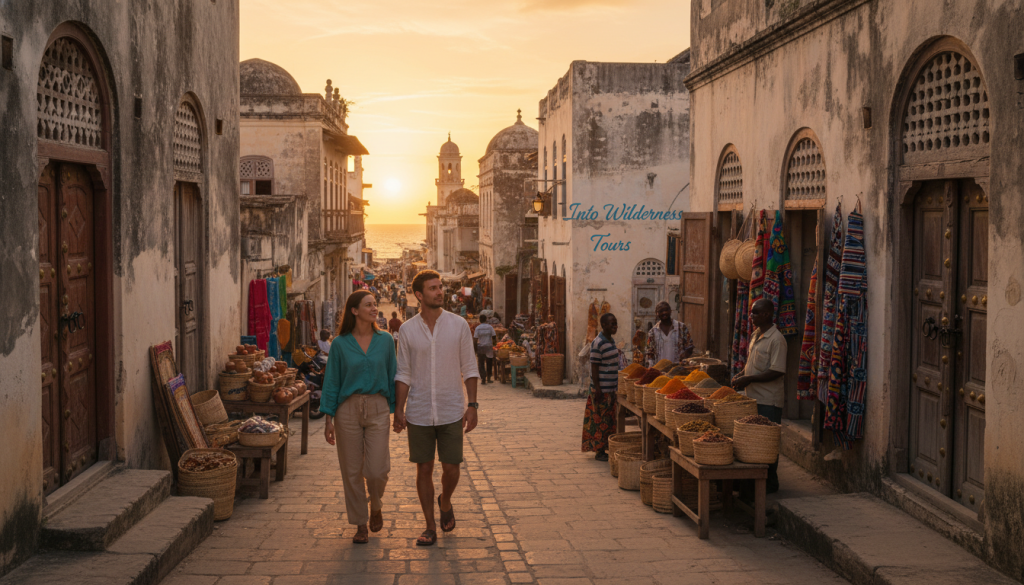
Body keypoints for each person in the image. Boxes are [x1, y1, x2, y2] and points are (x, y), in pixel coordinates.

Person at [393, 270, 479, 547]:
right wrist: (399, 409)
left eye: (440, 287)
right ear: (419, 295)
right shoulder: (407, 330)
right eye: (433, 288)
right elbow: (403, 373)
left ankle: (446, 501)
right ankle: (430, 526)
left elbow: (470, 367)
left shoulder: (458, 325)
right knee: (424, 468)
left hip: (451, 408)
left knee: (452, 468)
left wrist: (472, 405)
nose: (440, 292)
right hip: (418, 410)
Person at [321, 290, 397, 544]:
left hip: (378, 406)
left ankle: (376, 504)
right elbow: (332, 381)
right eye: (368, 305)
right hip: (347, 410)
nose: (374, 308)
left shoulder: (386, 340)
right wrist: (328, 418)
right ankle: (360, 523)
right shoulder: (340, 344)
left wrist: (398, 411)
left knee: (377, 470)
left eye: (375, 304)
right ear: (354, 311)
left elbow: (393, 375)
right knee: (351, 471)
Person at [732, 299, 787, 494]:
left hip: (768, 400)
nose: (751, 316)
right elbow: (752, 363)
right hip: (753, 398)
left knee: (767, 444)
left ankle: (770, 483)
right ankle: (755, 482)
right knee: (755, 443)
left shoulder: (776, 339)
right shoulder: (756, 334)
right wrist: (742, 375)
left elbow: (777, 371)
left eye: (755, 313)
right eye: (751, 312)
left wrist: (749, 379)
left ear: (766, 315)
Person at [583, 313, 619, 461]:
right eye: (612, 323)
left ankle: (606, 447)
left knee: (609, 420)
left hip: (611, 388)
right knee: (600, 420)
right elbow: (594, 366)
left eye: (615, 323)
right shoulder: (598, 343)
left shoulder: (611, 341)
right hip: (601, 389)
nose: (615, 326)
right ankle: (599, 451)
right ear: (603, 325)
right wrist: (597, 388)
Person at [644, 301, 695, 366]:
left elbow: (690, 347)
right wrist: (651, 367)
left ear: (670, 311)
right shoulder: (653, 332)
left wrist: (683, 357)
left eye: (666, 310)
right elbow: (649, 353)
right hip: (659, 369)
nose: (664, 312)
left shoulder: (681, 327)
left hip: (678, 368)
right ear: (657, 313)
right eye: (661, 311)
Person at [473, 314, 496, 385]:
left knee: (481, 363)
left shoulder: (478, 328)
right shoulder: (490, 327)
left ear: (480, 320)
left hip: (481, 347)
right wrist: (494, 345)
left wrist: (475, 349)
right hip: (489, 347)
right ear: (486, 320)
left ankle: (483, 379)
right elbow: (494, 336)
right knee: (489, 362)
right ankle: (489, 378)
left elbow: (475, 339)